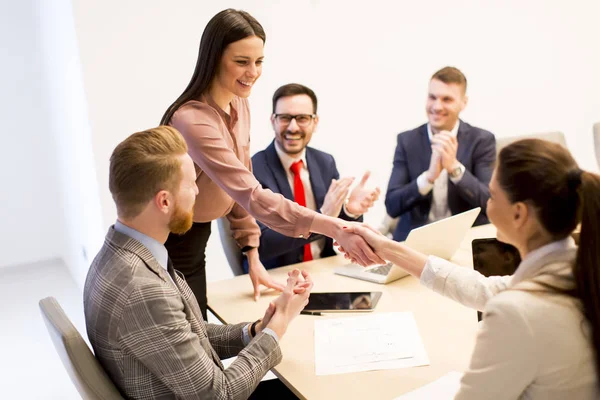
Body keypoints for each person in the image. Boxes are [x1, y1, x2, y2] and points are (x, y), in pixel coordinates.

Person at [160, 9, 382, 315]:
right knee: (188, 335)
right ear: (214, 58)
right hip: (171, 239)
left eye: (259, 61)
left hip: (198, 234)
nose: (253, 72)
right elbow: (251, 194)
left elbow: (236, 186)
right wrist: (335, 225)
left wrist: (252, 254)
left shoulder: (239, 103)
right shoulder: (193, 120)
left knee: (197, 329)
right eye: (241, 62)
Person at [343, 139, 600, 399]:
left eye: (493, 195)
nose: (487, 203)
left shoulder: (517, 312)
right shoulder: (582, 271)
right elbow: (484, 289)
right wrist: (388, 249)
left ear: (519, 214)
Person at [84, 126, 311, 399]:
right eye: (191, 184)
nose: (197, 192)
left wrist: (256, 331)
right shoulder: (143, 289)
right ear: (164, 201)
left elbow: (190, 334)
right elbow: (220, 394)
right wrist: (278, 328)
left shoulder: (119, 253)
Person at [251, 83, 380, 269]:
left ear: (315, 122)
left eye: (302, 118)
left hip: (325, 269)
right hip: (278, 275)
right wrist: (322, 216)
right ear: (273, 121)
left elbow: (337, 228)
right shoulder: (254, 169)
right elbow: (262, 243)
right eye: (285, 118)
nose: (293, 127)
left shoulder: (325, 162)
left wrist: (350, 212)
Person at [385, 66, 496, 241]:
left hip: (465, 240)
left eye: (447, 99)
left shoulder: (482, 140)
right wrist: (428, 178)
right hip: (416, 242)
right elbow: (392, 205)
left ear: (463, 103)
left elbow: (490, 204)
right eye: (432, 97)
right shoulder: (407, 141)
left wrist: (454, 169)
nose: (437, 106)